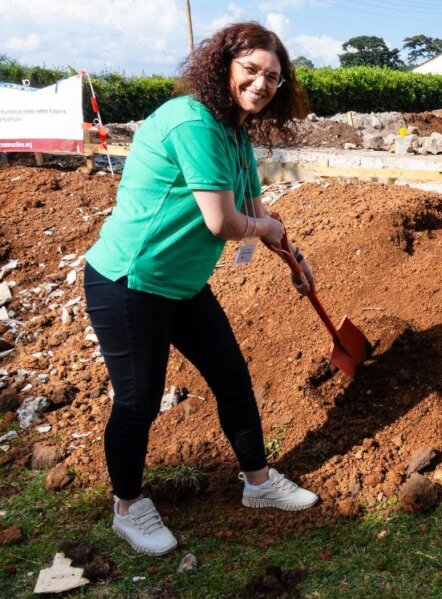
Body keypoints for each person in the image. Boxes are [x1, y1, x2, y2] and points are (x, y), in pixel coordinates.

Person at [84, 22, 319, 556]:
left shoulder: (234, 133)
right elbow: (224, 222)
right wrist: (265, 232)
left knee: (232, 378)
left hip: (182, 284)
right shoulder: (191, 122)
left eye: (273, 78)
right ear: (225, 67)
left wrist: (294, 261)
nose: (262, 85)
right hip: (130, 280)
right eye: (252, 71)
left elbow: (258, 212)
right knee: (140, 400)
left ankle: (258, 483)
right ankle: (127, 505)